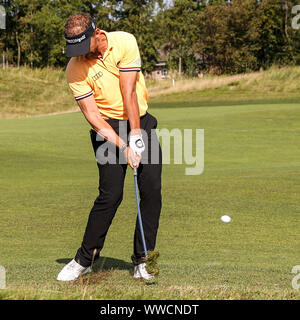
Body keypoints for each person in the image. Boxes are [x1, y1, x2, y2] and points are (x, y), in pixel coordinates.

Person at [57, 13, 162, 281]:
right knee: (111, 194)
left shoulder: (125, 42)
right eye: (74, 50)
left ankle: (142, 260)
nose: (81, 55)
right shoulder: (74, 69)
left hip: (139, 120)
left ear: (97, 33)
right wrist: (124, 146)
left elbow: (129, 93)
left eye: (84, 47)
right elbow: (92, 117)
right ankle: (84, 259)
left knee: (150, 189)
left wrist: (136, 135)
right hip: (107, 129)